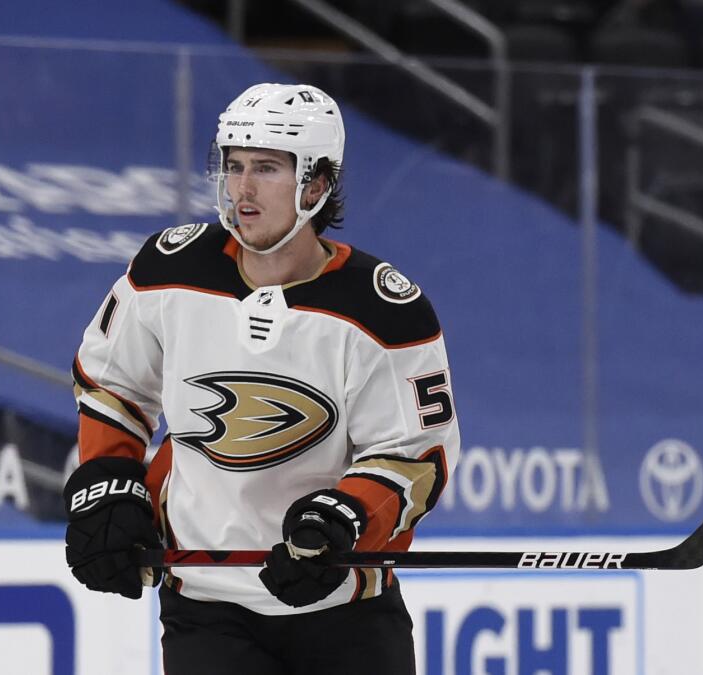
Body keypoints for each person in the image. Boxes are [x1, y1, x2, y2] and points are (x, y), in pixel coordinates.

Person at [63, 82, 460, 674]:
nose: (242, 188)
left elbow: (413, 456)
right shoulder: (169, 270)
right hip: (207, 606)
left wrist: (344, 519)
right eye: (234, 165)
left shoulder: (383, 310)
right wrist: (108, 477)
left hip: (343, 610)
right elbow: (112, 386)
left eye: (267, 168)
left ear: (317, 183)